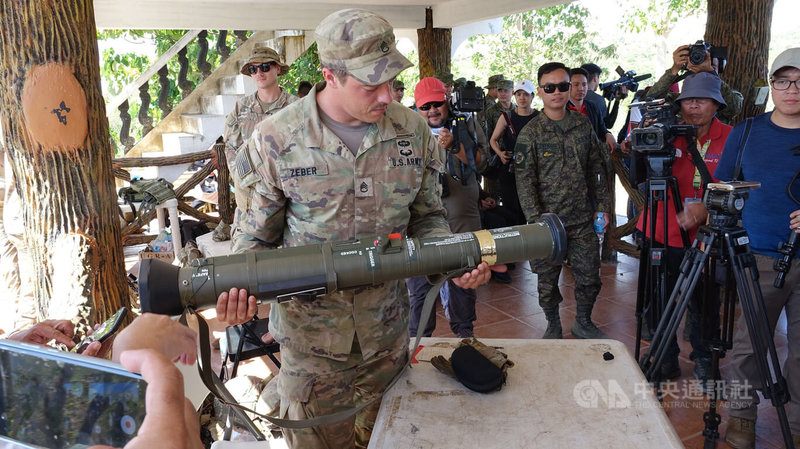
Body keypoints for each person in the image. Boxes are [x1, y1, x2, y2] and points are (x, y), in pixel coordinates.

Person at [215, 9, 494, 448]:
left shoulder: (411, 130)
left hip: (387, 334)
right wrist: (236, 293)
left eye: (391, 80)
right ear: (330, 75)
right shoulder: (276, 139)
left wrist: (454, 261)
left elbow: (428, 217)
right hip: (312, 348)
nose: (387, 96)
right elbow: (253, 239)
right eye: (371, 84)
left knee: (390, 439)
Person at [691, 47, 800, 449]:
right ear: (771, 85)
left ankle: (798, 421)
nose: (792, 89)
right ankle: (741, 418)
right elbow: (720, 185)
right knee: (747, 347)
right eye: (783, 80)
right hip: (758, 257)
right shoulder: (748, 131)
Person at [623, 72, 732, 384]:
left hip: (706, 238)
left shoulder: (731, 136)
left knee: (704, 304)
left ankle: (703, 359)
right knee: (659, 301)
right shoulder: (666, 133)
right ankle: (665, 358)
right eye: (687, 100)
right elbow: (638, 180)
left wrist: (707, 207)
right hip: (659, 230)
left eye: (702, 100)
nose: (693, 106)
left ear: (717, 104)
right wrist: (638, 149)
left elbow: (738, 185)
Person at [514, 62, 611, 340]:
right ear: (541, 92)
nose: (557, 92)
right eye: (549, 87)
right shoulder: (530, 133)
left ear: (571, 88)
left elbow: (597, 168)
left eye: (563, 86)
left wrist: (602, 207)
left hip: (581, 219)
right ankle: (552, 324)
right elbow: (525, 182)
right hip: (546, 224)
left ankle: (582, 321)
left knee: (590, 277)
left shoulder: (582, 125)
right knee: (546, 281)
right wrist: (536, 222)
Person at [406, 77, 487, 338]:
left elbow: (482, 164)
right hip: (421, 219)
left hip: (462, 214)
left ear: (447, 101)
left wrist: (454, 146)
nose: (432, 110)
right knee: (419, 283)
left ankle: (465, 335)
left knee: (464, 276)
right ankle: (417, 341)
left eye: (437, 104)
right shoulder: (404, 127)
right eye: (425, 106)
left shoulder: (465, 122)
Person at [219, 46, 296, 241]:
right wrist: (243, 179)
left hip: (290, 194)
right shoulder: (241, 108)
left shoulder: (295, 107)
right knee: (248, 255)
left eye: (264, 66)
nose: (259, 73)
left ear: (277, 69)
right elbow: (231, 147)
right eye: (253, 69)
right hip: (252, 199)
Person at [485, 79, 539, 284]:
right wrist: (500, 154)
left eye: (526, 94)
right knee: (510, 207)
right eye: (519, 94)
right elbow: (493, 139)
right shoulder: (507, 116)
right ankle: (513, 248)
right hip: (509, 170)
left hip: (532, 171)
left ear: (532, 96)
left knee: (529, 206)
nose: (522, 98)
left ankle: (526, 244)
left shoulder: (539, 117)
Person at [644, 44, 743, 125]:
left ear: (719, 69)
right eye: (698, 66)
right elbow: (651, 99)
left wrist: (710, 74)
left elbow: (732, 109)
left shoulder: (729, 97)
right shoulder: (679, 101)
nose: (703, 71)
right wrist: (674, 69)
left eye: (712, 67)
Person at [569, 67, 616, 152]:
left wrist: (608, 134)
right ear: (568, 86)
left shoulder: (592, 107)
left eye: (584, 84)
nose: (581, 88)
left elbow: (602, 129)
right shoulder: (561, 110)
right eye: (576, 85)